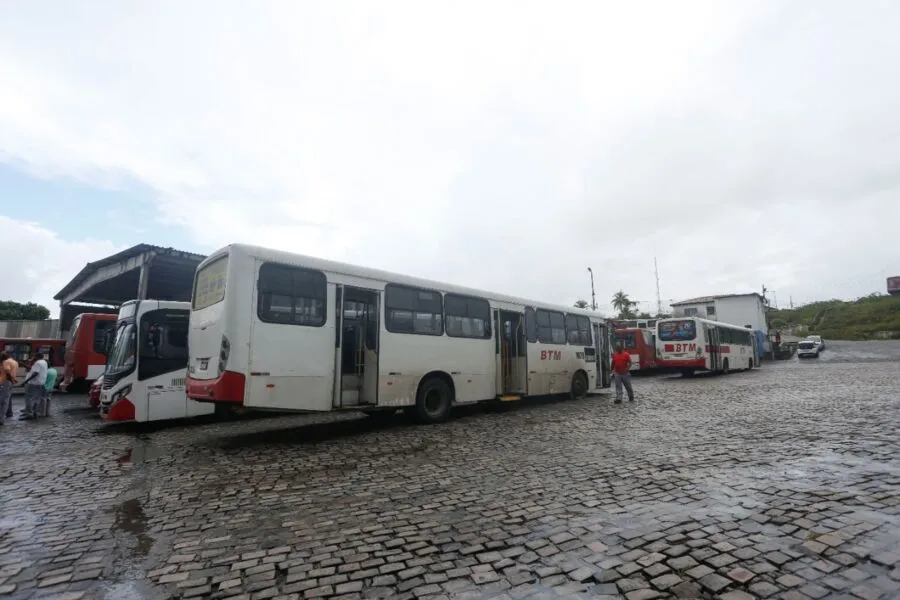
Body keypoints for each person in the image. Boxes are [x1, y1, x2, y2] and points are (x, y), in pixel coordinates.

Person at [19, 352, 48, 420]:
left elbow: (35, 373)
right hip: (40, 383)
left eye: (34, 356)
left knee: (29, 399)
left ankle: (29, 414)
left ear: (36, 356)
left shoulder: (38, 363)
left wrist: (25, 381)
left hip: (34, 383)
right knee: (36, 399)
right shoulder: (44, 362)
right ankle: (34, 412)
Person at [0, 351, 19, 425]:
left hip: (5, 382)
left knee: (2, 401)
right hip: (9, 383)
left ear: (6, 355)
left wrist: (12, 379)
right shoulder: (15, 362)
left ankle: (1, 419)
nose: (1, 356)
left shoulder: (6, 362)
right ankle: (3, 417)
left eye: (2, 355)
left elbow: (7, 371)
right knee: (6, 399)